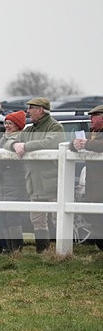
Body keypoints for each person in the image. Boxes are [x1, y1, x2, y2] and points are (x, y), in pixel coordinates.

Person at [4, 97, 64, 252]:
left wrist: (25, 146)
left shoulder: (55, 127)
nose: (28, 111)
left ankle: (61, 252)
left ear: (40, 110)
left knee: (57, 218)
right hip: (34, 182)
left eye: (31, 108)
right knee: (37, 219)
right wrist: (14, 144)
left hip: (52, 182)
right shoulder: (29, 130)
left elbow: (50, 143)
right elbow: (8, 142)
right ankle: (42, 251)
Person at [0, 110, 28, 253]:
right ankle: (6, 247)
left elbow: (9, 158)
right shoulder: (4, 137)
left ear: (18, 125)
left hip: (14, 182)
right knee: (0, 216)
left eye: (10, 123)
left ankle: (16, 248)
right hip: (2, 183)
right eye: (6, 123)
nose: (6, 126)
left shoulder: (20, 138)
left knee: (12, 216)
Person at [71, 105, 103, 245]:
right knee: (95, 221)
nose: (90, 119)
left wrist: (87, 144)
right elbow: (73, 146)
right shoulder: (91, 134)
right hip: (92, 187)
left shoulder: (91, 138)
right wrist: (74, 144)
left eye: (93, 116)